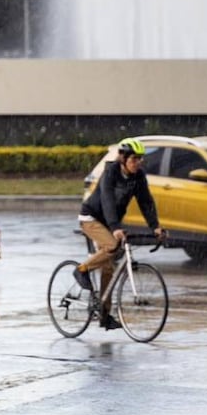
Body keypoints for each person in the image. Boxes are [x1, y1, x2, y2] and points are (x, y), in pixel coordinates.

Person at [74, 137, 166, 330]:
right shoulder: (110, 173)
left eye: (140, 159)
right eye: (134, 159)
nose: (138, 163)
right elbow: (107, 200)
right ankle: (81, 270)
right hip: (91, 218)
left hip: (110, 222)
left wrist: (155, 226)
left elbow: (146, 202)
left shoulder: (138, 176)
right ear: (122, 159)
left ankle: (104, 315)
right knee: (112, 245)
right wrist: (115, 227)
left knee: (109, 268)